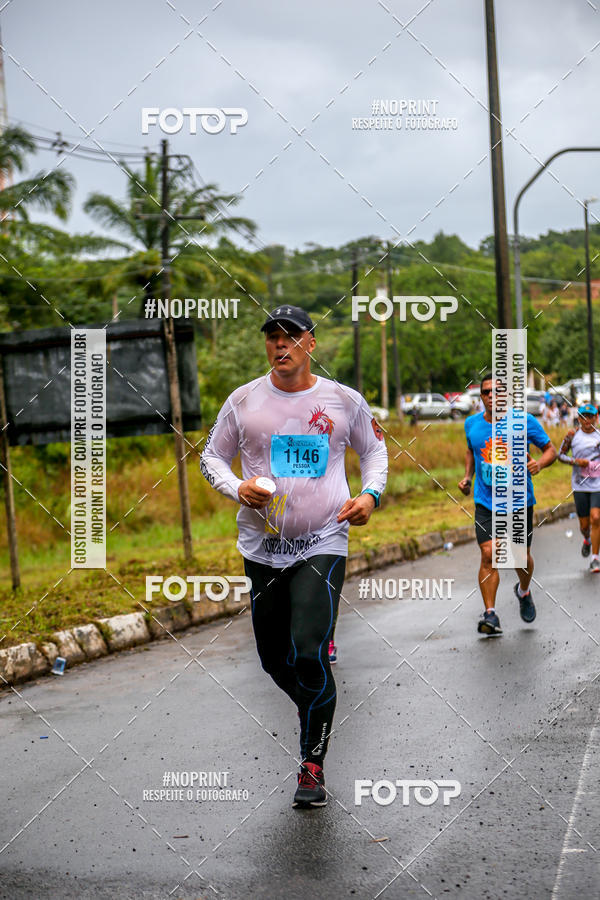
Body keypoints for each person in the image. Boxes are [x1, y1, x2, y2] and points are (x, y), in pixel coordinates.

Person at [200, 305, 388, 808]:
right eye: (272, 338)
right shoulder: (244, 401)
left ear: (311, 343)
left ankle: (312, 764)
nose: (280, 346)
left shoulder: (343, 401)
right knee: (274, 660)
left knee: (309, 649)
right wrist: (237, 486)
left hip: (323, 541)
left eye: (291, 337)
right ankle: (316, 707)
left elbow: (374, 452)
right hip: (262, 549)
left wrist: (369, 495)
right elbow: (210, 456)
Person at [458, 372, 557, 635]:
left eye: (497, 391)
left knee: (520, 559)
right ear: (481, 397)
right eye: (486, 392)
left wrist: (539, 463)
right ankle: (490, 615)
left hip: (518, 501)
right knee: (489, 554)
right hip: (486, 502)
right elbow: (471, 449)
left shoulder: (525, 421)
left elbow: (551, 450)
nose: (492, 396)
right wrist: (467, 477)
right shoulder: (471, 424)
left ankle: (523, 590)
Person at [558, 403, 600, 572]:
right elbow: (559, 455)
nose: (587, 420)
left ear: (596, 418)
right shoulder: (572, 435)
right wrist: (575, 462)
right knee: (584, 525)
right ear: (579, 419)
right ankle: (587, 539)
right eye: (583, 417)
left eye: (590, 417)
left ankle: (595, 559)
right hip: (580, 483)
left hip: (597, 483)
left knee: (596, 518)